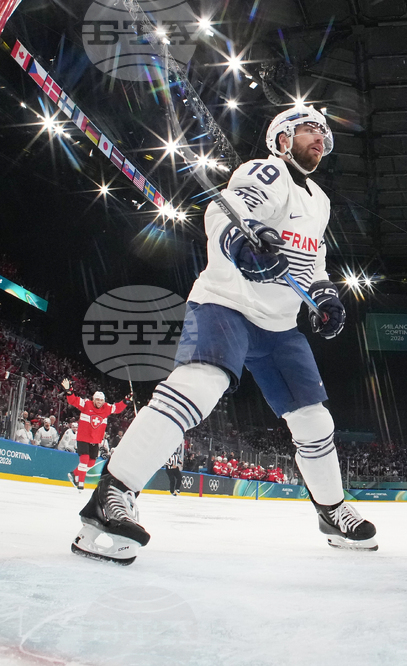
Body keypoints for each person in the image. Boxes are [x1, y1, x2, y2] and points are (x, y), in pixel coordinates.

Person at [70, 106, 377, 565]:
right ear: (282, 138)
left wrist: (325, 297)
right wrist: (242, 243)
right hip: (226, 303)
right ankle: (111, 495)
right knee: (198, 387)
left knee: (315, 420)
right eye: (310, 128)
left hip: (279, 323)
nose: (321, 136)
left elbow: (314, 263)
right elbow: (222, 213)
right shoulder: (267, 170)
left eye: (324, 132)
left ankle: (331, 511)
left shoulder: (320, 200)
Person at [62, 381, 130, 491]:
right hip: (83, 438)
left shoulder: (106, 408)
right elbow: (73, 400)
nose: (99, 402)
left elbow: (117, 408)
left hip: (95, 440)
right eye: (97, 400)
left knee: (91, 462)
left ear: (104, 401)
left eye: (101, 400)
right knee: (84, 459)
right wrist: (69, 391)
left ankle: (75, 474)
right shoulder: (86, 404)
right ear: (93, 399)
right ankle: (80, 483)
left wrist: (126, 401)